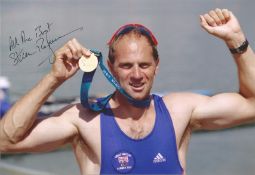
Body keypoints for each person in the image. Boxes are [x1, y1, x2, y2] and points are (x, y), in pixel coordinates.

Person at [0, 8, 255, 175]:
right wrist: (53, 79)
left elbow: (252, 105)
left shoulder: (180, 111)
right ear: (110, 67)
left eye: (144, 65)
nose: (136, 75)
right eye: (126, 66)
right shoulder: (86, 120)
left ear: (157, 66)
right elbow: (5, 141)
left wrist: (236, 40)